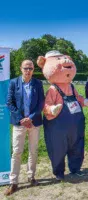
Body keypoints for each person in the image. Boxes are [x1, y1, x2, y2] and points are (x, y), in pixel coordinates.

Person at [5, 60, 45, 196]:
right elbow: (9, 102)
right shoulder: (13, 83)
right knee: (16, 152)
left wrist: (31, 118)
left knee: (33, 151)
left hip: (34, 122)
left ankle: (31, 177)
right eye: (25, 68)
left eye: (30, 68)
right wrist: (22, 118)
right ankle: (13, 182)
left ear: (33, 70)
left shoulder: (38, 84)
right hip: (19, 123)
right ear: (21, 69)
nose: (28, 70)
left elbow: (41, 103)